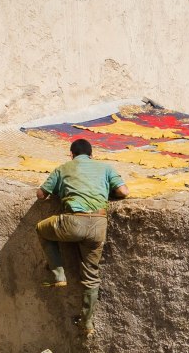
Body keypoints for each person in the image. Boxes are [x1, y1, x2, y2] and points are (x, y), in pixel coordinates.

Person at [36, 138, 129, 336]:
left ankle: (58, 275)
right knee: (91, 277)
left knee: (41, 228)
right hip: (98, 225)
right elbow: (123, 191)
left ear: (71, 154)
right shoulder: (105, 167)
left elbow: (41, 195)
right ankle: (87, 324)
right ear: (91, 154)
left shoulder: (63, 168)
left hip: (73, 223)